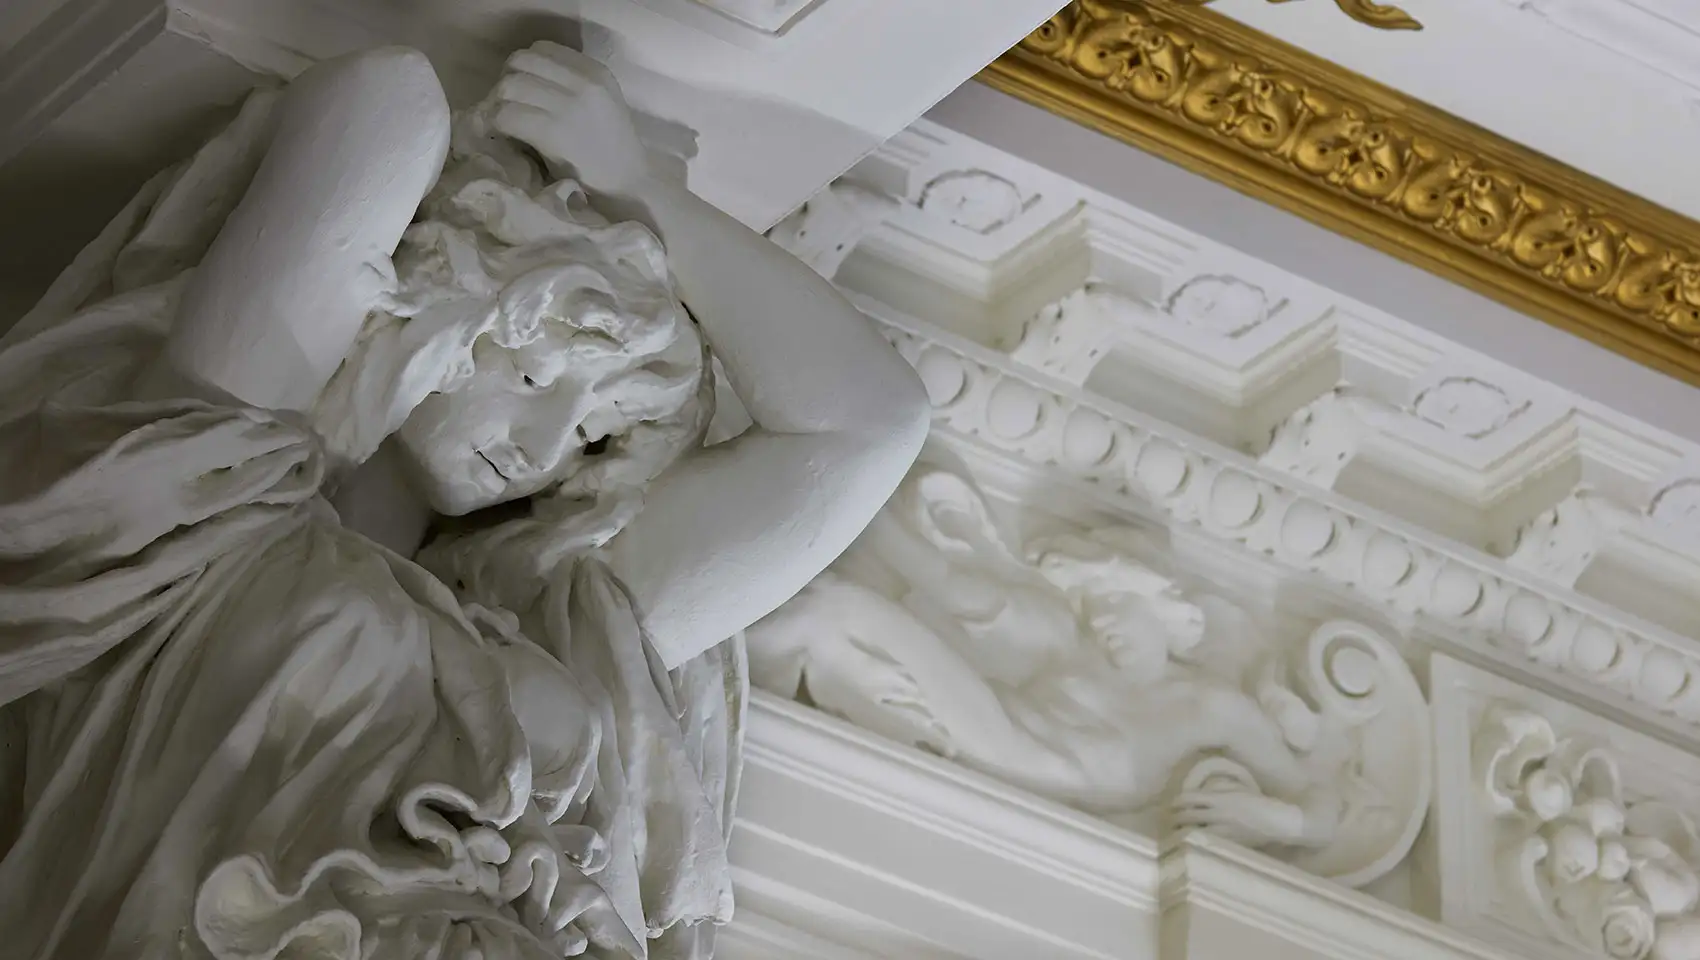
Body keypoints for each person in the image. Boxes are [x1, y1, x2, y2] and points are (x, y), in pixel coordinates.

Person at [0, 40, 928, 960]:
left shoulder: (545, 617)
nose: (542, 447)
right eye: (530, 373)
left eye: (593, 435)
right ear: (429, 299)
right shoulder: (197, 501)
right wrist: (623, 185)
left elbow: (861, 433)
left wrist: (647, 189)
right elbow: (388, 103)